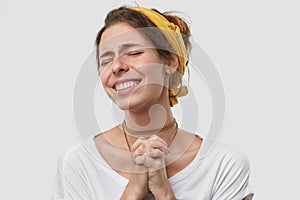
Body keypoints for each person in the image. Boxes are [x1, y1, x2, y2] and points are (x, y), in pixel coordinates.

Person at [53, 5, 254, 200]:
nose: (116, 66)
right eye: (105, 60)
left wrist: (164, 192)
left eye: (133, 53)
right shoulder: (79, 162)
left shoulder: (223, 164)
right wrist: (133, 190)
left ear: (170, 62)